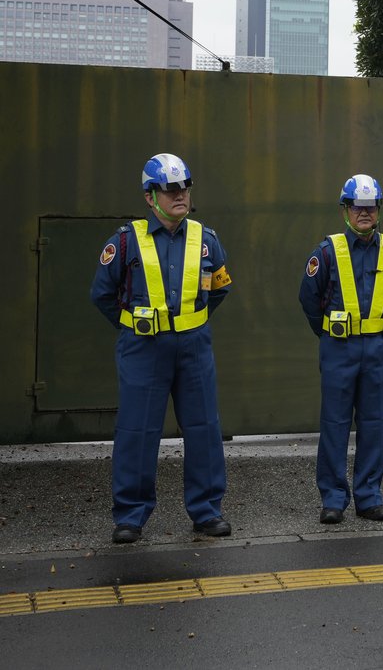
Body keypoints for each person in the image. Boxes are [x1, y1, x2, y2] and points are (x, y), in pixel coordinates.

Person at [90, 153, 234, 544]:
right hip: (144, 348)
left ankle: (207, 512)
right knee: (138, 430)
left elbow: (219, 288)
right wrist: (135, 326)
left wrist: (188, 322)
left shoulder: (206, 240)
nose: (180, 195)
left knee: (204, 428)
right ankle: (130, 516)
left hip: (194, 347)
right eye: (171, 189)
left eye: (184, 187)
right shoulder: (124, 241)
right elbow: (102, 295)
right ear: (150, 196)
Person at [298, 174, 383, 525]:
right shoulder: (326, 252)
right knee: (335, 424)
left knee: (374, 424)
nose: (364, 213)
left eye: (370, 206)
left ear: (378, 209)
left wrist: (376, 334)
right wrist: (328, 334)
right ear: (345, 210)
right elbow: (309, 299)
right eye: (357, 207)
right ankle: (333, 498)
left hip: (376, 348)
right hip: (338, 348)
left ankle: (370, 497)